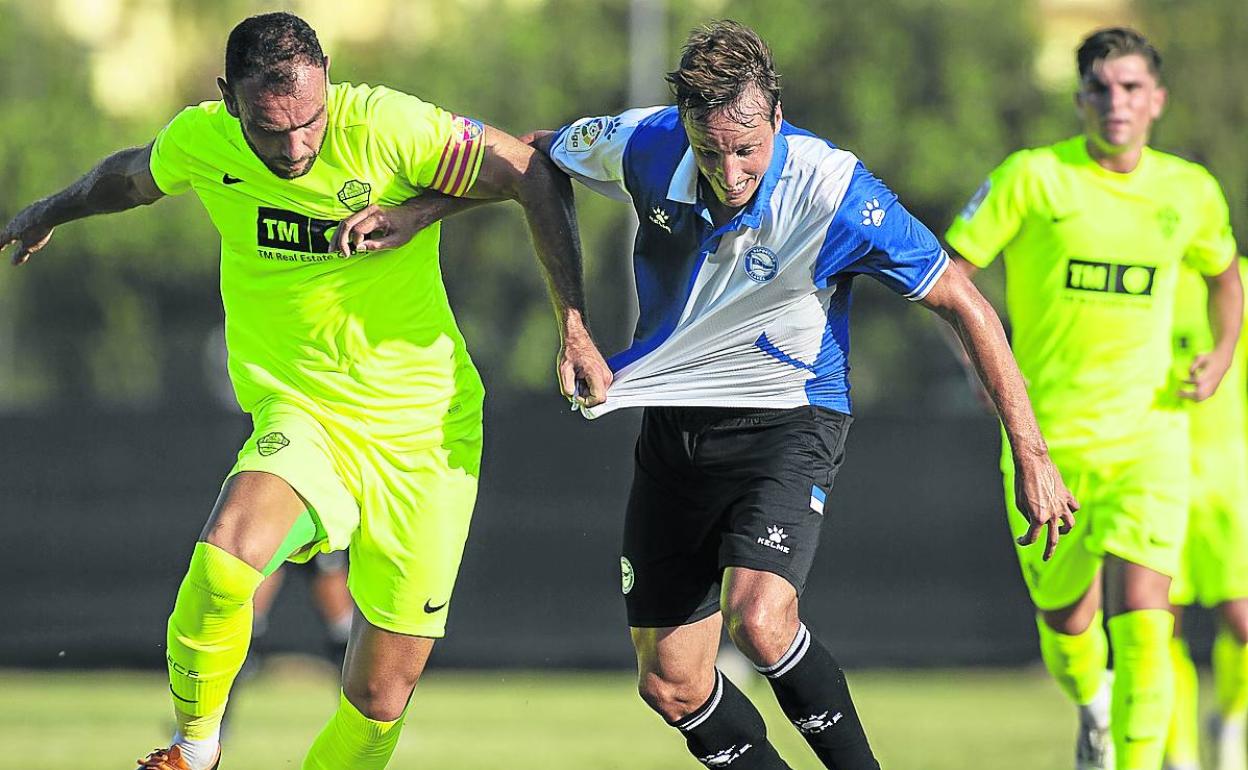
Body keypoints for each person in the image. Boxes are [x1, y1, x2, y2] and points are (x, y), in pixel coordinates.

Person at [340, 19, 1077, 770]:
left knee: (759, 620)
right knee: (672, 682)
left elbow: (966, 302)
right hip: (676, 428)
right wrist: (433, 221)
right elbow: (531, 158)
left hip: (791, 419)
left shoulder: (834, 192)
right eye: (710, 149)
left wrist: (1031, 453)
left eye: (748, 148)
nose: (729, 171)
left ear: (777, 119)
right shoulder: (648, 142)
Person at [0, 12, 610, 770]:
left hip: (427, 433)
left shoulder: (388, 125)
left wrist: (567, 324)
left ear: (328, 77)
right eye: (268, 129)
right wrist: (45, 211)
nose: (294, 149)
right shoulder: (204, 140)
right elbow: (125, 178)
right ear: (229, 99)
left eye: (308, 124)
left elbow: (532, 169)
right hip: (305, 412)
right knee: (227, 556)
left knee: (378, 701)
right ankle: (195, 750)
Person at [945, 27, 1243, 770]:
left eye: (1132, 88)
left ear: (1157, 101)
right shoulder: (1032, 178)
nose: (1117, 102)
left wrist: (1222, 354)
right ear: (1080, 98)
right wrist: (984, 372)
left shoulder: (1190, 190)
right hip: (1047, 442)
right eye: (1102, 88)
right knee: (1069, 622)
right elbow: (951, 278)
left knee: (1147, 619)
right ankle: (1093, 706)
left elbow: (1224, 273)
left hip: (1152, 438)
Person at [1164, 255, 1248, 770]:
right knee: (1157, 621)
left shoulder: (1236, 281)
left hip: (1228, 473)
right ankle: (1180, 755)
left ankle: (1232, 722)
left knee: (1241, 621)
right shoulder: (1141, 271)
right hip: (1158, 467)